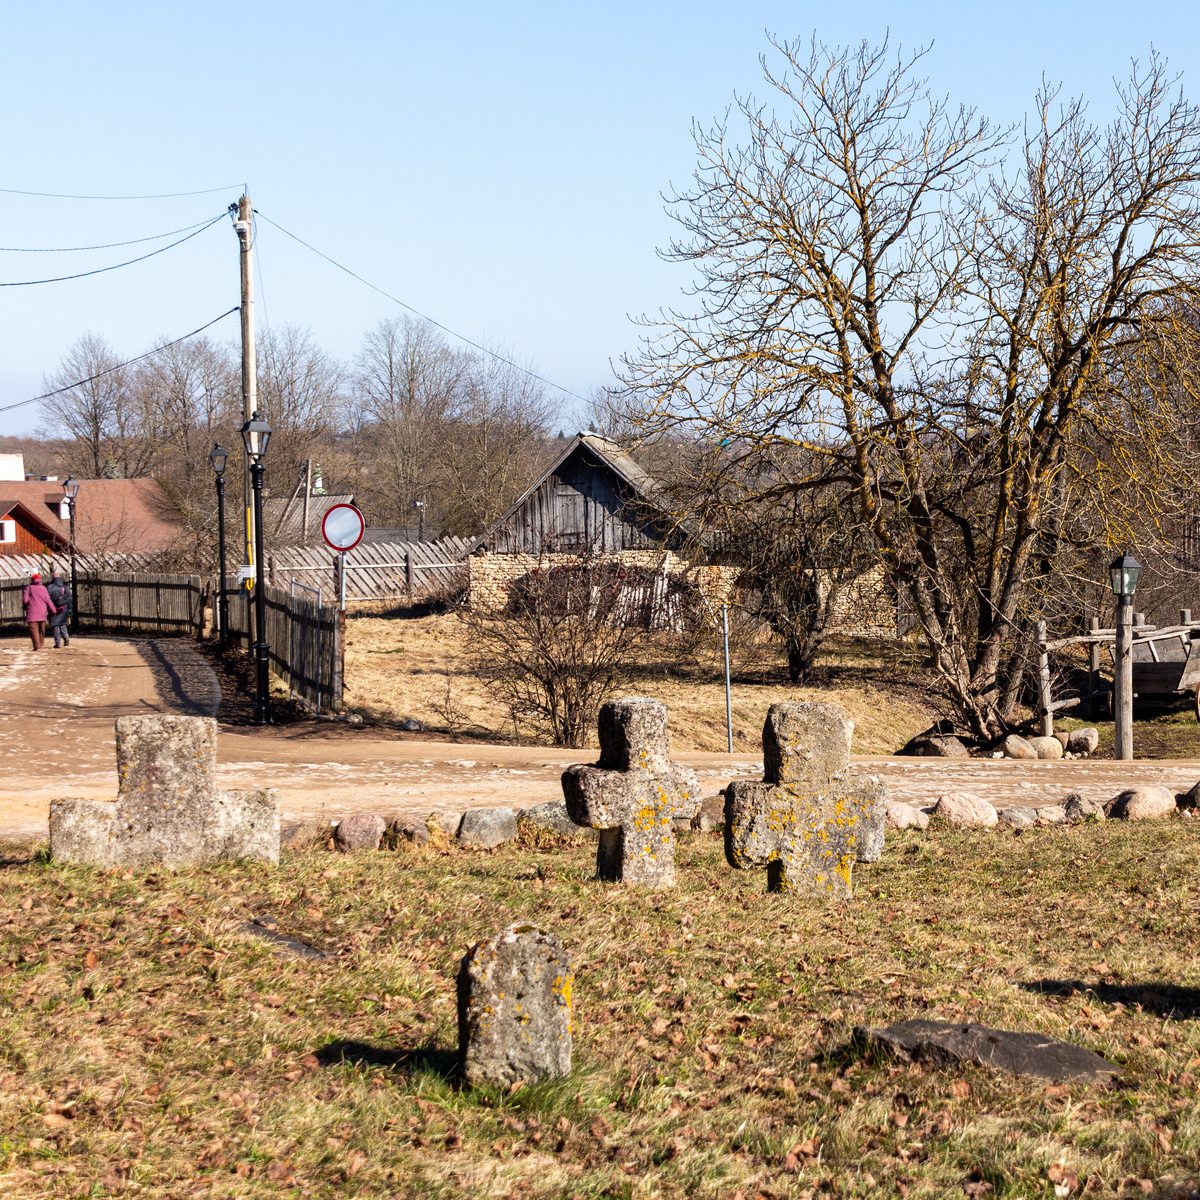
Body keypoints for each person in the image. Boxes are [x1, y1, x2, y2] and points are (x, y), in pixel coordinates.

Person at [22, 572, 59, 651]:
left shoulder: (28, 588)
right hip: (42, 612)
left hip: (32, 612)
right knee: (41, 630)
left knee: (33, 629)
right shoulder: (43, 588)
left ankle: (37, 646)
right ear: (39, 579)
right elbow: (48, 600)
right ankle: (40, 644)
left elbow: (25, 600)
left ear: (32, 579)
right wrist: (53, 610)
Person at [46, 568, 72, 648]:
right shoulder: (65, 587)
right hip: (64, 608)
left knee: (55, 625)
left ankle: (58, 643)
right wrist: (69, 609)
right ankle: (66, 637)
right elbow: (70, 599)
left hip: (54, 609)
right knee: (62, 624)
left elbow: (47, 599)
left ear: (53, 578)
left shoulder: (50, 587)